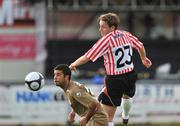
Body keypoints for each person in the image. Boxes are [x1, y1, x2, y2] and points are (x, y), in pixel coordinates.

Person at [69, 12, 152, 126]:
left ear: (112, 28)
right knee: (127, 96)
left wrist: (73, 64)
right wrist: (143, 58)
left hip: (115, 80)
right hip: (131, 75)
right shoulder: (125, 34)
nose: (100, 29)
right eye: (99, 26)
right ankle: (125, 116)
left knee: (107, 118)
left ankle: (122, 117)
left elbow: (87, 57)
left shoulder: (106, 40)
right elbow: (140, 45)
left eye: (103, 26)